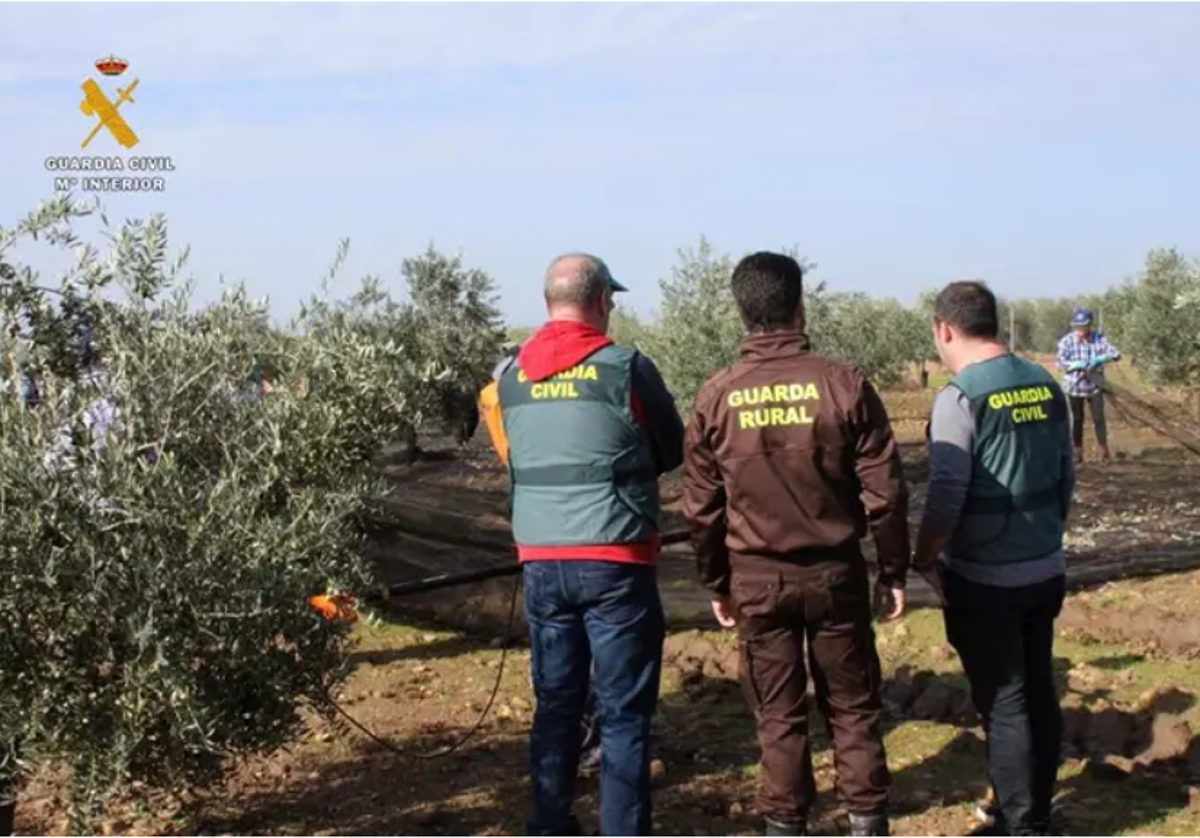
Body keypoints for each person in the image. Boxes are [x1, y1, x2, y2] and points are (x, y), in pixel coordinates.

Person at [683, 251, 910, 837]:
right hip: (837, 576)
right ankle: (867, 823)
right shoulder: (844, 383)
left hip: (757, 581)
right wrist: (893, 571)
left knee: (779, 719)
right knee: (854, 709)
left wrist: (717, 583)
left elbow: (701, 509)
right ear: (799, 302)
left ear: (742, 311)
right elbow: (885, 493)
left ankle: (785, 826)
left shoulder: (716, 396)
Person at [496, 252, 685, 836]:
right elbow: (671, 448)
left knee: (556, 706)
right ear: (603, 301)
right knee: (624, 715)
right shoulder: (625, 367)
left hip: (542, 562)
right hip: (616, 560)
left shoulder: (509, 375)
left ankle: (550, 825)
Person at [913, 281, 1075, 836]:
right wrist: (1049, 537)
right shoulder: (1045, 383)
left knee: (1005, 701)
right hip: (1045, 567)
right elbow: (1065, 476)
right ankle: (1036, 807)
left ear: (945, 329)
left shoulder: (961, 396)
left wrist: (924, 554)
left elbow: (946, 492)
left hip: (985, 577)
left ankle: (1020, 823)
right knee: (1037, 686)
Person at [1054, 306, 1121, 463]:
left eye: (1083, 325)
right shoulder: (1067, 341)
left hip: (1095, 385)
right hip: (1074, 386)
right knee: (1077, 420)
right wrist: (1074, 364)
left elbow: (1116, 354)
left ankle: (1104, 452)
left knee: (1099, 418)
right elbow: (1059, 363)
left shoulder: (1099, 339)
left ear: (1090, 324)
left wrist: (1101, 358)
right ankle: (1078, 453)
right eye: (1077, 326)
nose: (1080, 329)